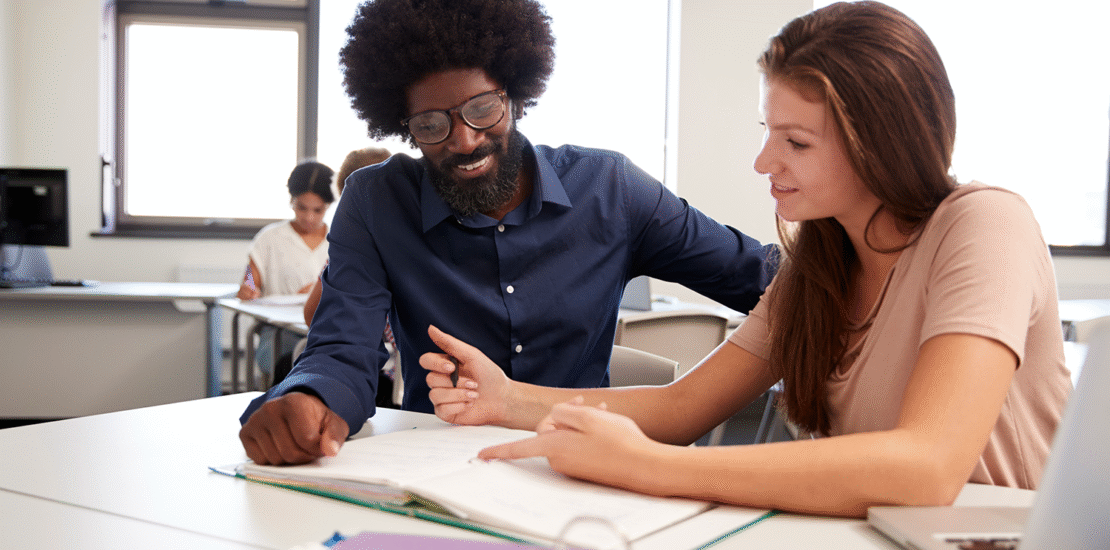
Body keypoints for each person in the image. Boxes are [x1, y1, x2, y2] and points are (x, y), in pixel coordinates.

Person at [422, 1, 1072, 518]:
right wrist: (510, 400)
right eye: (769, 133)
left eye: (796, 141)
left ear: (883, 144)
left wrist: (651, 468)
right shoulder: (819, 268)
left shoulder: (983, 224)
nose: (765, 163)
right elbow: (681, 409)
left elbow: (926, 467)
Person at [238, 0, 774, 466]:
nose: (465, 140)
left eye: (483, 108)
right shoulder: (375, 203)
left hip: (587, 466)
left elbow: (755, 276)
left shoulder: (609, 190)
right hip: (438, 466)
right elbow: (342, 347)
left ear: (516, 95)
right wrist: (308, 398)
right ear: (404, 127)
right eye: (431, 124)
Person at [236, 161, 335, 379]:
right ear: (292, 201)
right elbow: (252, 278)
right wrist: (249, 288)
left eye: (317, 210)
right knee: (292, 362)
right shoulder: (270, 237)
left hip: (324, 330)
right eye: (302, 208)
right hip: (280, 332)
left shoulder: (338, 240)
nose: (309, 218)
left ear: (328, 206)